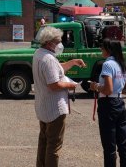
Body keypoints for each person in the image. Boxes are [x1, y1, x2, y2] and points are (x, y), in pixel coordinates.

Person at [32, 26, 86, 167]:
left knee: (44, 142)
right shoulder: (49, 59)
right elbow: (54, 84)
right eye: (58, 41)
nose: (60, 44)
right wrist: (72, 85)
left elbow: (55, 70)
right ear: (50, 42)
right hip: (54, 108)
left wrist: (72, 62)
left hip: (44, 107)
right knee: (54, 146)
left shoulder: (39, 53)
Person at [89, 39, 126, 167]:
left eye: (102, 48)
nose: (101, 50)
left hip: (108, 105)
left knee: (109, 147)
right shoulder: (122, 64)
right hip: (119, 102)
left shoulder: (107, 65)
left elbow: (108, 89)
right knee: (123, 145)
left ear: (108, 50)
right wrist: (118, 90)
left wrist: (95, 86)